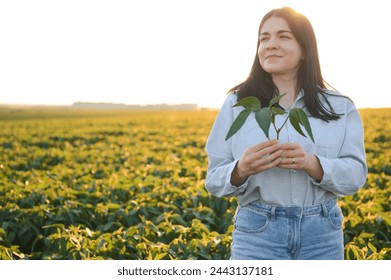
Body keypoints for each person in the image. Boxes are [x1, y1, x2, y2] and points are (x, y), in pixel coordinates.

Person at [205, 6, 367, 260]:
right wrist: (241, 169)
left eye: (283, 36)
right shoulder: (238, 103)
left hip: (322, 234)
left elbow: (356, 175)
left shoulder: (339, 106)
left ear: (305, 49)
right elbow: (213, 179)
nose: (270, 44)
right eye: (264, 38)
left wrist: (313, 164)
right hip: (257, 233)